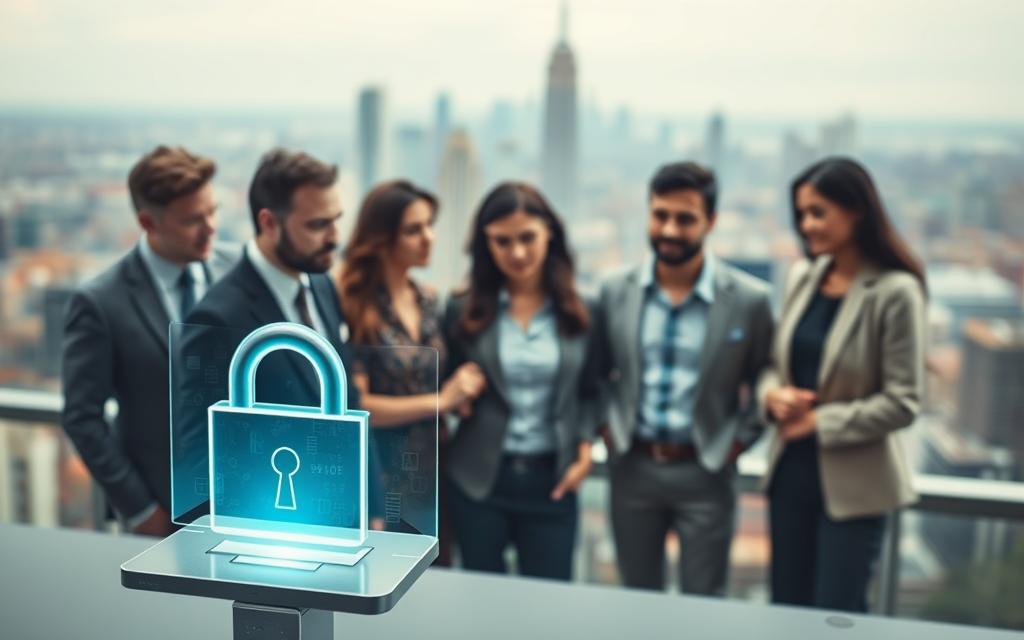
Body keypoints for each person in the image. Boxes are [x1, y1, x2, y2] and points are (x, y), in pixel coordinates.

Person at [592, 161, 774, 595]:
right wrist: (607, 429)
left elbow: (769, 373)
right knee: (636, 600)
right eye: (660, 215)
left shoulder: (749, 300)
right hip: (632, 469)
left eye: (685, 219)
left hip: (706, 473)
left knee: (703, 605)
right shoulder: (614, 289)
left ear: (710, 221)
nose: (670, 229)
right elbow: (595, 374)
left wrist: (735, 443)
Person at [759, 157, 926, 612]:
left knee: (837, 615)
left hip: (855, 488)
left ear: (856, 210)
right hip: (790, 473)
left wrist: (818, 421)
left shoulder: (896, 292)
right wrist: (773, 396)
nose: (806, 225)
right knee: (786, 610)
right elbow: (774, 364)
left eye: (818, 212)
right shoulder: (802, 277)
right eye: (801, 214)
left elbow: (904, 401)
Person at [62, 145, 238, 536]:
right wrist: (140, 510)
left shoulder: (238, 268)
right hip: (162, 517)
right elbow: (82, 417)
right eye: (193, 219)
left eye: (213, 210)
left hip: (250, 505)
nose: (211, 226)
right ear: (147, 222)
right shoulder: (100, 302)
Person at [442, 182, 598, 580]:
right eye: (502, 241)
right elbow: (446, 382)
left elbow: (592, 391)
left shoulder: (583, 312)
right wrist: (456, 391)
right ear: (485, 244)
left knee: (549, 605)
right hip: (479, 480)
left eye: (527, 237)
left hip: (554, 480)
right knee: (479, 599)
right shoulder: (462, 309)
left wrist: (584, 448)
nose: (517, 253)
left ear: (550, 233)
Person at [338, 180, 486, 565]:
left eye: (429, 225)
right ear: (382, 238)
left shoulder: (428, 300)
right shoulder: (354, 305)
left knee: (438, 576)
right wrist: (441, 400)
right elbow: (358, 405)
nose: (429, 238)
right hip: (383, 469)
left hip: (436, 468)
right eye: (413, 229)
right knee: (384, 573)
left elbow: (442, 376)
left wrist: (464, 389)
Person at [186, 148, 359, 410]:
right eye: (318, 225)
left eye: (336, 220)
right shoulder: (216, 318)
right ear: (268, 223)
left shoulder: (323, 285)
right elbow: (200, 442)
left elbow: (348, 399)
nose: (335, 238)